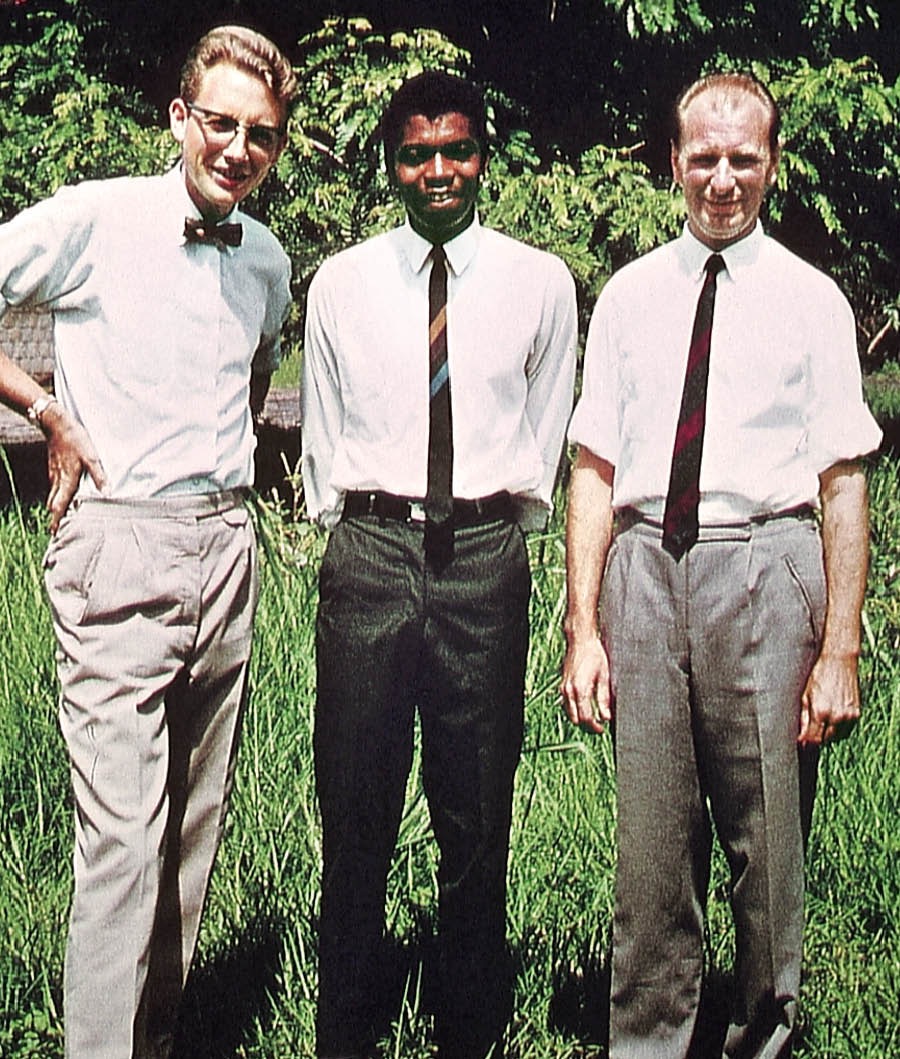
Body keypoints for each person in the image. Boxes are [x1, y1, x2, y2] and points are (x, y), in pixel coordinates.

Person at [561, 71, 881, 1058]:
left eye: (744, 158)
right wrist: (583, 627)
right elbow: (592, 464)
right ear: (675, 162)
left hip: (766, 569)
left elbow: (843, 479)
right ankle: (650, 1037)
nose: (723, 178)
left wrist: (839, 650)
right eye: (704, 157)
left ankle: (761, 1034)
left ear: (772, 166)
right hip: (645, 571)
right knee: (653, 846)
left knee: (765, 842)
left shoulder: (811, 300)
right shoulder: (628, 296)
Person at [0, 25, 295, 1058]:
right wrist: (46, 411)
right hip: (117, 548)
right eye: (219, 123)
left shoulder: (266, 258)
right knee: (120, 845)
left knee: (189, 837)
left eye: (260, 134)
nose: (237, 148)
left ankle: (153, 1042)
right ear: (179, 118)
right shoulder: (96, 218)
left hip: (225, 550)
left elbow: (255, 376)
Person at [301, 70, 577, 1059]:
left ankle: (471, 1031)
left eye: (456, 148)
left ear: (482, 156)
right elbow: (323, 429)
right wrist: (359, 523)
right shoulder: (340, 281)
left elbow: (547, 429)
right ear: (392, 163)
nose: (439, 169)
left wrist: (499, 522)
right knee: (358, 805)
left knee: (475, 815)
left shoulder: (540, 281)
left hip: (484, 559)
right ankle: (345, 1033)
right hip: (370, 551)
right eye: (417, 152)